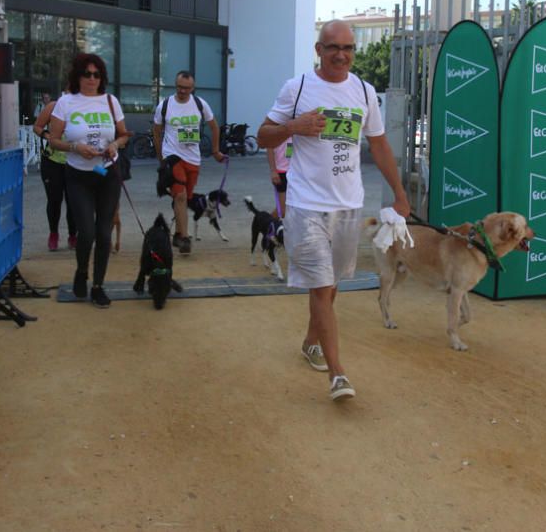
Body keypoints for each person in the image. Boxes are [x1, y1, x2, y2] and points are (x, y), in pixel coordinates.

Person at [257, 20, 410, 402]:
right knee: (322, 287)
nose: (341, 55)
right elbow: (263, 135)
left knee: (331, 287)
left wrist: (399, 193)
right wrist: (294, 125)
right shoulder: (298, 88)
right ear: (318, 50)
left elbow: (379, 146)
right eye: (332, 47)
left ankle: (311, 341)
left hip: (348, 205)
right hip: (306, 205)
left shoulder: (363, 90)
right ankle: (338, 373)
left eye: (348, 48)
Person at [47, 54, 130, 308]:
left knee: (104, 233)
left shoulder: (110, 101)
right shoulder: (66, 102)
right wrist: (74, 147)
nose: (92, 79)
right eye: (87, 74)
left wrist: (115, 144)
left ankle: (98, 285)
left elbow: (124, 134)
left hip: (107, 173)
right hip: (78, 175)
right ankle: (82, 271)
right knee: (87, 232)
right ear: (78, 77)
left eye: (97, 74)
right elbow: (53, 139)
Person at [152, 71, 225, 254]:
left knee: (185, 198)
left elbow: (214, 127)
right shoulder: (165, 105)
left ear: (192, 88)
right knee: (181, 196)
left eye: (186, 88)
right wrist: (161, 158)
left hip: (193, 159)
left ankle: (177, 234)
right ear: (175, 85)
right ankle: (184, 238)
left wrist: (215, 150)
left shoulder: (200, 104)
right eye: (179, 87)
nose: (182, 91)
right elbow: (156, 131)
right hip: (172, 157)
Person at [33, 92, 77, 251]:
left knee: (74, 201)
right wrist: (47, 135)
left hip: (75, 162)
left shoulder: (85, 108)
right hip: (52, 161)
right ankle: (53, 233)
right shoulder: (53, 106)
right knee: (54, 200)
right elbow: (37, 126)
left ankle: (73, 235)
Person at [267, 137, 291, 218]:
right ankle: (268, 225)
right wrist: (273, 171)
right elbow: (269, 148)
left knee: (292, 208)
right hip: (280, 172)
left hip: (294, 171)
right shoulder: (276, 126)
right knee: (282, 210)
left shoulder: (296, 127)